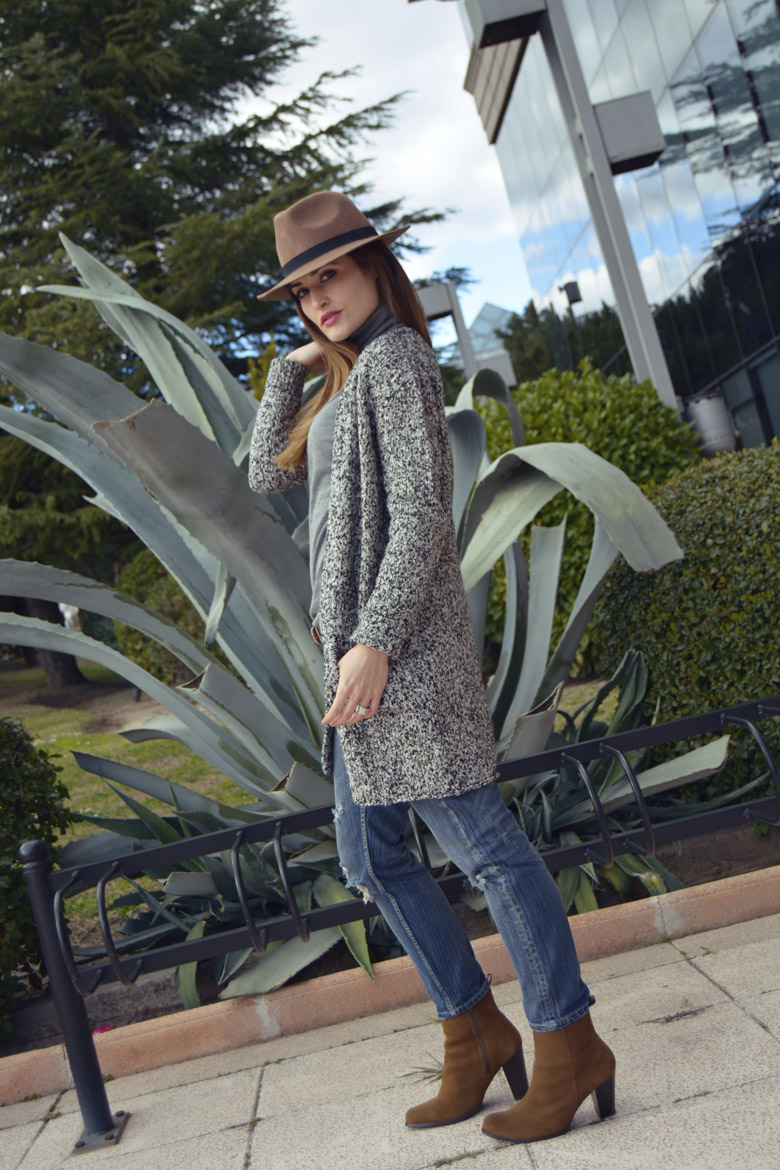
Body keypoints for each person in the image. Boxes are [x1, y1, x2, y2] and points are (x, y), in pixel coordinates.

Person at [249, 190, 615, 1144]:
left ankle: (568, 1040)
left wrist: (374, 642)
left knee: (485, 847)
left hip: (401, 656)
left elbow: (420, 511)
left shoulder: (400, 360)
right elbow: (264, 478)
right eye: (302, 291)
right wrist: (291, 368)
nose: (318, 300)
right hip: (358, 660)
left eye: (331, 276)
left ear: (375, 267)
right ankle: (474, 1032)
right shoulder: (347, 375)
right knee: (371, 857)